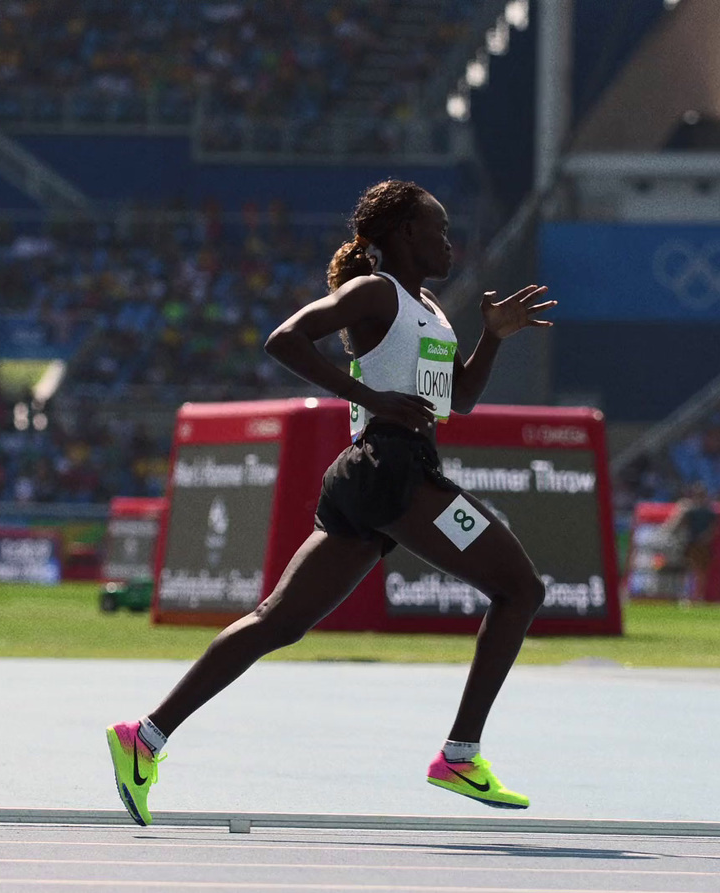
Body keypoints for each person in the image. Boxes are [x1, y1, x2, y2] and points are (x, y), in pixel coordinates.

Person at [104, 180, 557, 825]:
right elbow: (285, 339)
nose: (449, 241)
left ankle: (143, 738)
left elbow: (458, 402)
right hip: (390, 471)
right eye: (438, 228)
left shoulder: (431, 308)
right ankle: (460, 754)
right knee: (520, 589)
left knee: (278, 622)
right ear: (403, 234)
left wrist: (494, 337)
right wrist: (369, 399)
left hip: (378, 477)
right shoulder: (376, 293)